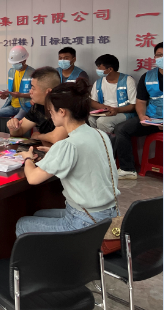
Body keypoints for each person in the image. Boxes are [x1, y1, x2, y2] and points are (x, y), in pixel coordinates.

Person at [15, 79, 119, 235]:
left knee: (22, 224)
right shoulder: (100, 134)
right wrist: (54, 153)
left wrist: (27, 158)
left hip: (85, 219)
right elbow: (86, 155)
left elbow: (33, 178)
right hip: (108, 212)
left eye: (51, 111)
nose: (50, 115)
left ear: (62, 112)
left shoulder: (68, 145)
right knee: (38, 214)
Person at [114, 42, 163, 180]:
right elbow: (141, 101)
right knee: (121, 129)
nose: (162, 58)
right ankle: (127, 169)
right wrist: (142, 116)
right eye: (159, 55)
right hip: (152, 119)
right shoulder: (147, 76)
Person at [7, 66, 68, 143]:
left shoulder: (65, 106)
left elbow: (56, 138)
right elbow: (20, 131)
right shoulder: (38, 106)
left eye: (33, 88)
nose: (30, 91)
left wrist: (38, 136)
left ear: (48, 92)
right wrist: (14, 127)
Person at [89, 54, 137, 134]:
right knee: (89, 119)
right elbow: (92, 102)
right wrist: (103, 107)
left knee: (102, 122)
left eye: (100, 68)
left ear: (110, 69)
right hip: (105, 112)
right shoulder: (98, 82)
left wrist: (116, 110)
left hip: (124, 112)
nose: (97, 70)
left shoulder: (128, 80)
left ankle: (109, 141)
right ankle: (96, 140)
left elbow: (133, 105)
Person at [0, 46, 35, 120]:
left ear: (24, 60)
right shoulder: (11, 71)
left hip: (25, 106)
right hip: (12, 105)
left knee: (15, 121)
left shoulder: (33, 73)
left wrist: (20, 95)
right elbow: (11, 89)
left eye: (17, 63)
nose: (14, 65)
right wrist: (6, 94)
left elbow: (36, 94)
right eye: (13, 63)